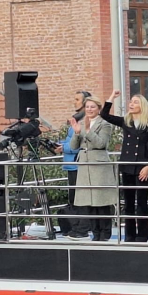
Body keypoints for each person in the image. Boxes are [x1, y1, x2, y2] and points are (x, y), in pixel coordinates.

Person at [100, 90, 148, 242]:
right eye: (131, 102)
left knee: (141, 202)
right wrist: (111, 97)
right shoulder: (125, 121)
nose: (132, 104)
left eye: (135, 102)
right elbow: (104, 115)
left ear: (142, 106)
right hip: (127, 165)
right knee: (128, 202)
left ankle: (142, 236)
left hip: (143, 167)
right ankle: (129, 236)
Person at [68, 96, 116, 242]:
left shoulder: (105, 124)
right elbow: (73, 147)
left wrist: (88, 131)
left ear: (98, 109)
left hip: (99, 166)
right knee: (89, 202)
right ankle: (95, 233)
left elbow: (101, 144)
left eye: (92, 107)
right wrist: (77, 133)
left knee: (101, 201)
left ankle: (105, 233)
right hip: (85, 166)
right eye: (87, 107)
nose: (89, 109)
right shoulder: (82, 123)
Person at [59, 90, 91, 239]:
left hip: (78, 165)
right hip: (70, 165)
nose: (75, 102)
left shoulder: (85, 121)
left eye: (77, 99)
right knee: (73, 199)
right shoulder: (75, 120)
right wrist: (59, 145)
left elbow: (77, 145)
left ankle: (82, 229)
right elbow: (69, 141)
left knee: (81, 199)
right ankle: (75, 227)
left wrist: (63, 147)